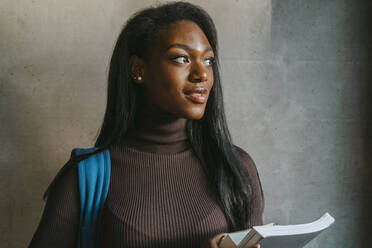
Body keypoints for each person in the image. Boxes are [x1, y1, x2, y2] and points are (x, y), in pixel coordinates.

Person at [28, 1, 264, 248]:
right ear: (138, 69)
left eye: (208, 61)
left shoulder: (237, 168)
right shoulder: (84, 177)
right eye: (181, 58)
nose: (201, 74)